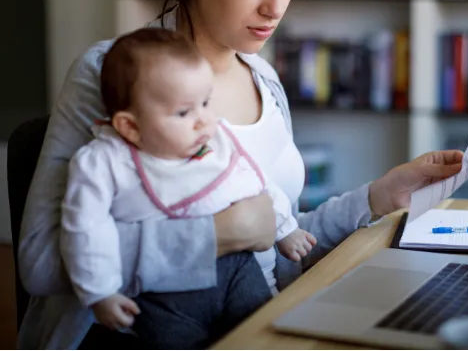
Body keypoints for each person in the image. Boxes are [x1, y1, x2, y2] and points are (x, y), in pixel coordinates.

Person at [16, 0, 464, 349]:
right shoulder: (113, 72)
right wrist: (217, 235)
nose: (276, 7)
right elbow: (42, 261)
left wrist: (377, 197)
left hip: (253, 317)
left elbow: (275, 241)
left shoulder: (265, 77)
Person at [60, 27, 316, 348]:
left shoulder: (213, 140)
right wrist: (99, 292)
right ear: (131, 126)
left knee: (260, 336)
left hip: (237, 270)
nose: (203, 120)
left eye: (206, 102)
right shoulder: (103, 163)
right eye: (184, 111)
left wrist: (285, 229)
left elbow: (254, 182)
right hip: (161, 295)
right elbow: (85, 230)